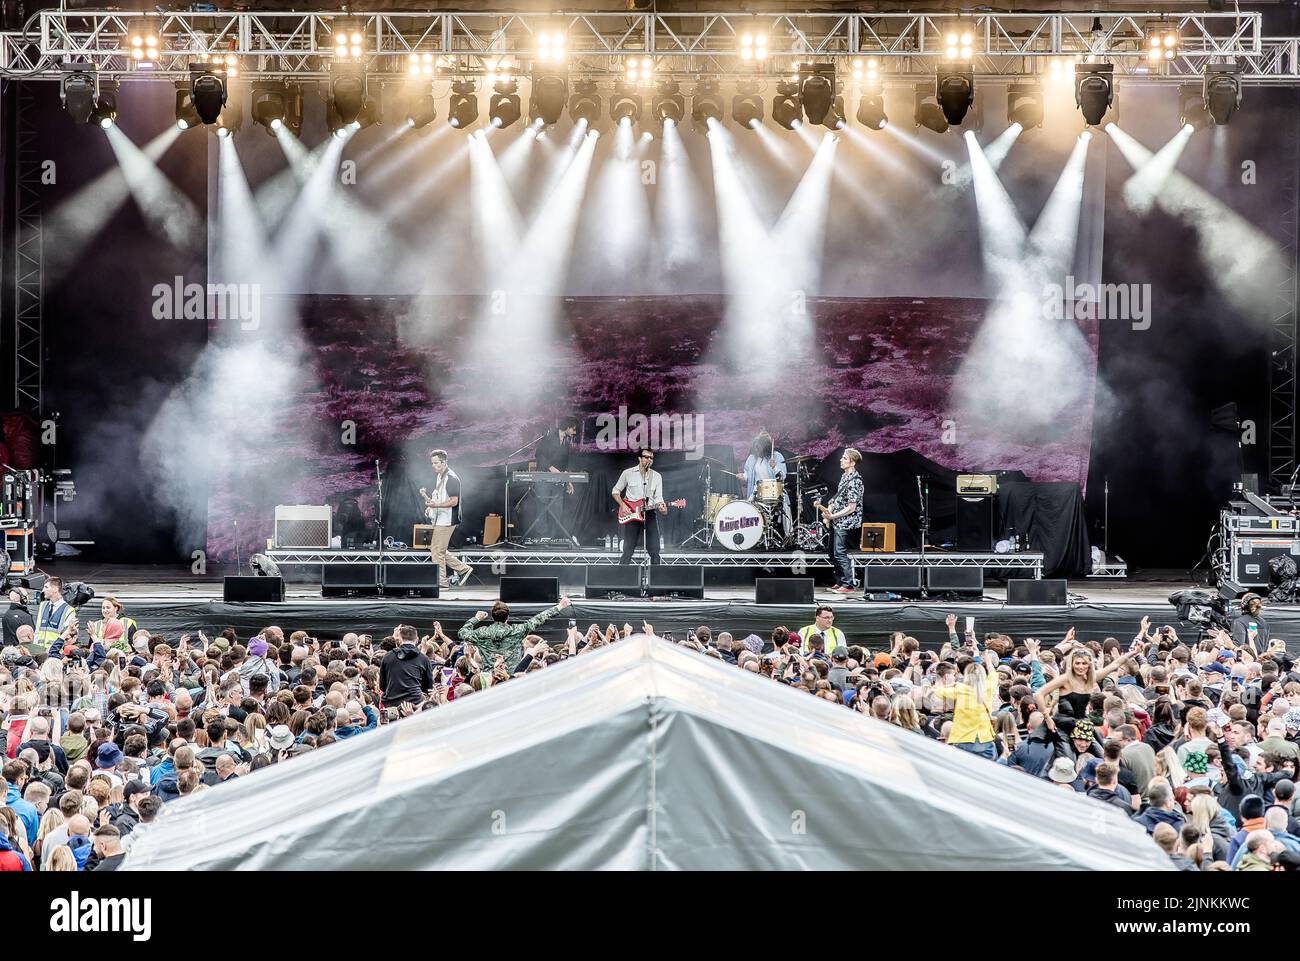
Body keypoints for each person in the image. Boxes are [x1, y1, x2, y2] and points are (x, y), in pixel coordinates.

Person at [459, 596, 572, 670]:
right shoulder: (517, 631)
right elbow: (538, 619)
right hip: (512, 679)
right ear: (508, 617)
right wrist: (560, 606)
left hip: (490, 679)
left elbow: (462, 633)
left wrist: (476, 618)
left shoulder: (481, 633)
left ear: (493, 616)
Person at [420, 448, 473, 590]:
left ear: (444, 462)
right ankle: (463, 569)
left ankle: (442, 582)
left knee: (437, 551)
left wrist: (436, 505)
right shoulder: (440, 476)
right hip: (441, 519)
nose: (433, 465)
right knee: (437, 549)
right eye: (432, 463)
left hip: (447, 520)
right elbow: (440, 497)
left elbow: (454, 501)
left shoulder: (451, 478)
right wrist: (431, 506)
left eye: (436, 463)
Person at [817, 448, 863, 594]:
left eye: (844, 458)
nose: (841, 460)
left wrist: (833, 516)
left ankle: (848, 584)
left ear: (852, 462)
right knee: (832, 552)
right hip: (837, 519)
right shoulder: (844, 477)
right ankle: (839, 581)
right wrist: (829, 509)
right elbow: (838, 498)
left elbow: (851, 507)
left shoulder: (855, 481)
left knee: (839, 552)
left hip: (846, 520)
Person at [531, 415, 579, 543]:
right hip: (543, 479)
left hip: (558, 481)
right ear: (567, 427)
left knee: (557, 509)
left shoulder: (566, 443)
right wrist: (550, 468)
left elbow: (565, 465)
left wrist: (568, 481)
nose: (575, 432)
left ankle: (551, 538)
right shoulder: (548, 438)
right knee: (542, 507)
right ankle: (542, 537)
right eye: (573, 429)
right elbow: (539, 456)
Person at [613, 448, 665, 565]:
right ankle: (621, 579)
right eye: (646, 457)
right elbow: (615, 491)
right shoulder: (628, 473)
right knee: (628, 550)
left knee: (655, 550)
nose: (649, 460)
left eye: (651, 458)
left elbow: (659, 498)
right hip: (632, 513)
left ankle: (655, 580)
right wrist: (623, 505)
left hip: (650, 513)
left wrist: (663, 508)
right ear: (639, 458)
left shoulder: (656, 476)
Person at [378, 625, 435, 711]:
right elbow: (428, 687)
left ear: (400, 640)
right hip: (416, 702)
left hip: (391, 703)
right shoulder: (423, 658)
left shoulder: (388, 657)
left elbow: (382, 686)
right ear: (417, 639)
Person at [34, 576, 75, 658]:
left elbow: (68, 636)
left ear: (55, 589)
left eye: (46, 587)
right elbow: (37, 631)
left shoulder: (69, 610)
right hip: (39, 654)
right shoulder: (43, 605)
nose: (43, 590)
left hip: (55, 653)